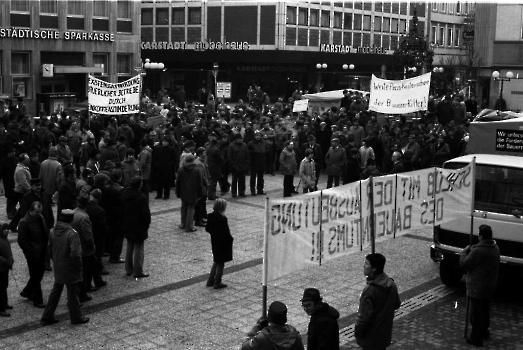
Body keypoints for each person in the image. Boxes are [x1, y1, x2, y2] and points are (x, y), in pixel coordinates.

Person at [41, 209, 89, 325]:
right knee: (73, 292)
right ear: (71, 219)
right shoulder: (72, 234)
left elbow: (49, 249)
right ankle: (76, 317)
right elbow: (75, 254)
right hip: (70, 267)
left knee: (56, 290)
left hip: (58, 265)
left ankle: (47, 315)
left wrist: (55, 259)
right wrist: (78, 267)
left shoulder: (52, 231)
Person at [459, 224, 500, 347]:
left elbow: (464, 264)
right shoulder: (495, 248)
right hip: (490, 285)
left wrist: (464, 252)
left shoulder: (478, 251)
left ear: (481, 236)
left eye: (479, 233)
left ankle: (476, 338)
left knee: (475, 314)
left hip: (477, 287)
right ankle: (484, 331)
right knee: (485, 310)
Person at [355, 253, 401, 350]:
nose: (364, 266)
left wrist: (358, 333)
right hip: (384, 334)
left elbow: (363, 318)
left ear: (374, 268)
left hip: (371, 337)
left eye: (366, 264)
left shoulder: (369, 290)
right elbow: (396, 304)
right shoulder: (391, 284)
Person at [17, 201, 49, 308]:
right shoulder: (24, 222)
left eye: (40, 211)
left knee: (39, 274)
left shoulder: (41, 218)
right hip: (33, 254)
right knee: (35, 277)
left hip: (42, 251)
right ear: (31, 210)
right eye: (37, 212)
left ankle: (27, 291)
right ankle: (37, 300)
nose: (39, 213)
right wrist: (29, 252)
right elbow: (21, 240)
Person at [122, 176, 151, 278]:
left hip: (128, 223)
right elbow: (145, 214)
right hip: (139, 225)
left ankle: (128, 269)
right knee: (138, 248)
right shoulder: (141, 197)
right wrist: (146, 225)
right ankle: (138, 271)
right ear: (140, 185)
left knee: (129, 246)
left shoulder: (125, 194)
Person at [205, 198, 233, 289]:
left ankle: (210, 280)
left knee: (216, 261)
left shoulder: (211, 216)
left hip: (215, 242)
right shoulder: (222, 218)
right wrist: (230, 239)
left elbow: (207, 229)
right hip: (222, 244)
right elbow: (226, 232)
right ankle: (217, 282)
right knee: (220, 263)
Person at [176, 155, 203, 232]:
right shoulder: (197, 170)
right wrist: (200, 193)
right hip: (193, 192)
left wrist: (178, 192)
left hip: (183, 192)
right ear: (193, 161)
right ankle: (189, 226)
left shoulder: (181, 170)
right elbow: (199, 184)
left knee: (184, 208)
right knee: (191, 208)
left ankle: (183, 224)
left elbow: (178, 183)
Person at [0, 222, 14, 317]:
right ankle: (1, 308)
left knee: (4, 286)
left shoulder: (5, 239)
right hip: (1, 268)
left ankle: (4, 303)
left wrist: (10, 260)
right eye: (4, 229)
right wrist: (6, 261)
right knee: (1, 288)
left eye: (7, 229)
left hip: (5, 268)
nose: (6, 231)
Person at [248, 131, 267, 196]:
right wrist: (255, 152)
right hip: (254, 162)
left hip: (262, 162)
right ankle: (253, 190)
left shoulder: (263, 142)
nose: (258, 137)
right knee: (253, 177)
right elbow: (248, 152)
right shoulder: (251, 143)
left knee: (261, 177)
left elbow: (266, 150)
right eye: (256, 135)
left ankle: (260, 189)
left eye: (259, 135)